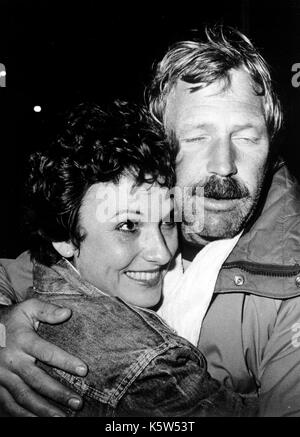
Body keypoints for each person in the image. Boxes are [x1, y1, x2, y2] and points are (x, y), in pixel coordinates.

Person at [0, 24, 299, 416]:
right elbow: (18, 272)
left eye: (246, 137)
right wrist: (5, 327)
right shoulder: (120, 212)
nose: (223, 166)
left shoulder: (289, 283)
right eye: (196, 138)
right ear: (161, 142)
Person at [4, 99, 249, 417]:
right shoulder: (151, 364)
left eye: (167, 220)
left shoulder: (48, 274)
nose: (161, 253)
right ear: (63, 236)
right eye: (128, 226)